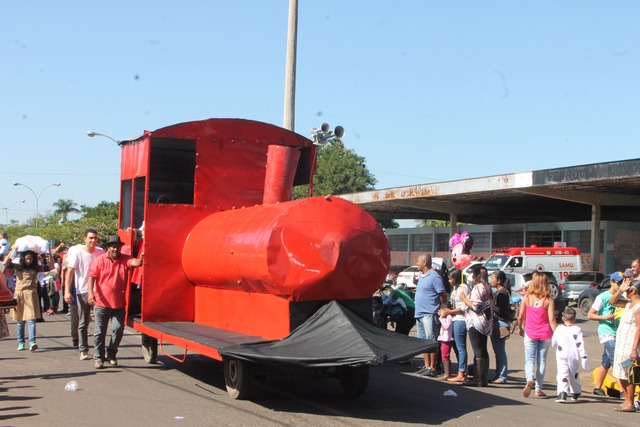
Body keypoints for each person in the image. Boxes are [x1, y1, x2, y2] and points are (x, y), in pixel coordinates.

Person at [87, 235, 143, 369]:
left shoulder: (125, 259)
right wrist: (90, 293)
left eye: (117, 246)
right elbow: (92, 277)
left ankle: (111, 354)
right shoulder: (100, 260)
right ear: (108, 247)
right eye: (112, 246)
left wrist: (141, 258)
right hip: (101, 303)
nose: (115, 249)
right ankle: (99, 358)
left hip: (118, 304)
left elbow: (135, 263)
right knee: (99, 332)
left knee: (118, 330)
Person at [64, 228, 105, 361]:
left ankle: (100, 351)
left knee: (100, 322)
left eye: (95, 238)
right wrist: (67, 291)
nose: (93, 240)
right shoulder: (77, 252)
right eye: (90, 238)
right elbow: (69, 272)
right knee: (84, 321)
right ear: (85, 239)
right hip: (82, 291)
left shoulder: (101, 252)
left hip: (98, 292)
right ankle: (83, 349)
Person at [3, 247, 50, 351]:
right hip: (19, 294)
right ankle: (21, 342)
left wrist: (49, 253)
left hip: (31, 293)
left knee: (31, 319)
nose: (28, 261)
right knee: (20, 320)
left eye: (31, 259)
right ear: (23, 258)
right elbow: (5, 264)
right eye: (27, 259)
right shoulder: (18, 267)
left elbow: (49, 267)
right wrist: (13, 250)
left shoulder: (36, 268)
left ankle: (32, 342)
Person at [518, 273, 557, 398]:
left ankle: (529, 378)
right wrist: (557, 333)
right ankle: (538, 389)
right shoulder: (548, 300)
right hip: (545, 333)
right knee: (542, 361)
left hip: (530, 332)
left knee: (529, 359)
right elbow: (551, 320)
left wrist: (519, 328)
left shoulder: (527, 298)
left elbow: (520, 316)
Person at [587, 271, 626, 396]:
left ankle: (597, 387)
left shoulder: (622, 298)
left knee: (606, 361)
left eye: (622, 282)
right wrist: (605, 318)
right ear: (612, 283)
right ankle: (622, 391)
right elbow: (590, 315)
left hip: (618, 332)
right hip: (607, 333)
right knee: (616, 360)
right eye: (618, 283)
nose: (620, 285)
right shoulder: (602, 297)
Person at [609, 278, 640, 413]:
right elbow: (613, 301)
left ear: (633, 290)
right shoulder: (628, 303)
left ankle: (630, 403)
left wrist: (634, 349)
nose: (624, 292)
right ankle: (627, 400)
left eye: (627, 290)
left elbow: (639, 328)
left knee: (629, 374)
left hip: (630, 344)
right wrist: (620, 290)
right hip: (621, 343)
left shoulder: (638, 306)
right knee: (621, 372)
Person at [414, 254, 446, 378]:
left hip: (429, 313)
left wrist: (440, 308)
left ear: (425, 262)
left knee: (431, 341)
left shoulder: (434, 277)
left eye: (418, 261)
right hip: (420, 314)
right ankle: (426, 366)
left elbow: (442, 294)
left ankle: (433, 367)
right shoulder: (422, 276)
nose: (417, 263)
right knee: (423, 342)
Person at [460, 265, 493, 387]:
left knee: (477, 350)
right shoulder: (487, 288)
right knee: (483, 349)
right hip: (485, 322)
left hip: (476, 322)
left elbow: (474, 306)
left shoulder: (479, 288)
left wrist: (464, 298)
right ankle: (482, 378)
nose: (472, 278)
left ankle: (478, 379)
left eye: (473, 276)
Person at [552, 307, 589, 403]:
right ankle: (576, 391)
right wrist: (583, 356)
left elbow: (554, 343)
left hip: (561, 353)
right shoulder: (577, 329)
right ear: (574, 319)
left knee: (562, 373)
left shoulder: (559, 329)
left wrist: (557, 345)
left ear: (563, 318)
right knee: (574, 373)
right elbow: (580, 344)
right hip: (574, 355)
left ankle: (562, 393)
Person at [441, 268, 471, 383]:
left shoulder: (464, 288)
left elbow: (464, 307)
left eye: (451, 278)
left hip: (461, 320)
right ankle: (462, 370)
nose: (449, 281)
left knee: (461, 347)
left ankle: (462, 372)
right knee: (457, 347)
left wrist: (450, 312)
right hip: (455, 319)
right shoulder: (456, 288)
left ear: (457, 278)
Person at [490, 270, 512, 384]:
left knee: (500, 351)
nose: (491, 280)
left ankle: (502, 375)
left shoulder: (502, 293)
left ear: (499, 281)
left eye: (493, 278)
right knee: (497, 351)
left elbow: (503, 311)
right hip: (497, 323)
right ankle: (499, 374)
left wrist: (491, 306)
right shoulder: (499, 292)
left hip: (500, 324)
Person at [437, 301, 455, 380]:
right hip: (444, 338)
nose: (440, 312)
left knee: (445, 355)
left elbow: (446, 326)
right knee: (443, 354)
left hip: (447, 339)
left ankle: (447, 373)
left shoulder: (449, 317)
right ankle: (446, 372)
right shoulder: (446, 317)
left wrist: (441, 318)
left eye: (441, 311)